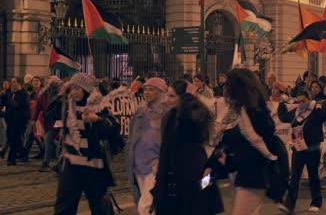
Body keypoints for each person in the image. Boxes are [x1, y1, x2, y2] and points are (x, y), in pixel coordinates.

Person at [209, 68, 277, 215]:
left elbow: (258, 150)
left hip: (253, 176)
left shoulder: (256, 113)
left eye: (227, 85)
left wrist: (230, 161)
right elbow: (230, 140)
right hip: (239, 175)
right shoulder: (237, 111)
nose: (224, 88)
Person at [51, 73, 117, 214]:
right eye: (72, 88)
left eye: (78, 89)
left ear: (86, 90)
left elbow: (113, 130)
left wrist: (97, 120)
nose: (74, 92)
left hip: (94, 165)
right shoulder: (67, 106)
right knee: (64, 205)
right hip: (71, 165)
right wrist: (61, 93)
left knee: (99, 205)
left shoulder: (100, 107)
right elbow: (50, 112)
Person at [154, 93, 221, 215]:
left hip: (181, 185)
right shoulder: (199, 146)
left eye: (172, 96)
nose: (168, 99)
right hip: (198, 180)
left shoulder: (173, 120)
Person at [277, 90, 326, 213]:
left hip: (312, 149)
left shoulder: (316, 111)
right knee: (295, 178)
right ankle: (289, 205)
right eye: (299, 101)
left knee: (313, 177)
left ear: (309, 99)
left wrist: (324, 102)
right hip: (298, 149)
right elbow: (283, 117)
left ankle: (316, 202)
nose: (301, 103)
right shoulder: (296, 112)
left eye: (304, 101)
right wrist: (281, 103)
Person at [127, 77, 169, 214]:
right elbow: (131, 137)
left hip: (156, 165)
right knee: (148, 203)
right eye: (145, 89)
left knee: (145, 206)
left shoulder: (167, 113)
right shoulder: (140, 112)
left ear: (160, 92)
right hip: (139, 164)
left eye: (151, 90)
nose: (147, 93)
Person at [36, 76, 63, 172]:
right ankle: (58, 161)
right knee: (52, 141)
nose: (51, 85)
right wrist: (34, 118)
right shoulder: (43, 94)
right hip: (48, 121)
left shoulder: (61, 94)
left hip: (58, 121)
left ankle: (46, 162)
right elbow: (39, 105)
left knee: (49, 140)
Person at [4, 77, 30, 166]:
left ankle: (11, 159)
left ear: (19, 83)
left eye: (14, 82)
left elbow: (20, 106)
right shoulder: (10, 93)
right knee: (11, 138)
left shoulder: (24, 94)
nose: (12, 84)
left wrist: (11, 101)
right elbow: (7, 105)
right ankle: (24, 153)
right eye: (12, 82)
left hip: (19, 120)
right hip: (10, 119)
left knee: (15, 138)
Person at [0, 79, 10, 158]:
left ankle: (3, 149)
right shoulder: (2, 93)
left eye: (7, 83)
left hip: (6, 115)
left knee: (5, 131)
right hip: (2, 115)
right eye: (4, 83)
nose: (5, 85)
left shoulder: (9, 93)